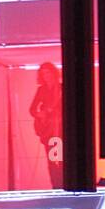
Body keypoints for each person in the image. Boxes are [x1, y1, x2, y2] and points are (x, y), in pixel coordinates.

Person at [29, 61, 63, 189]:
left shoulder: (62, 88)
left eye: (48, 73)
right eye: (43, 74)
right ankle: (56, 186)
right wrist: (40, 114)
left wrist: (54, 111)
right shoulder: (41, 90)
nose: (46, 76)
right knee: (52, 160)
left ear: (54, 73)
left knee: (61, 160)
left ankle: (63, 186)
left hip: (60, 129)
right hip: (48, 130)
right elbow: (32, 109)